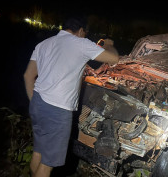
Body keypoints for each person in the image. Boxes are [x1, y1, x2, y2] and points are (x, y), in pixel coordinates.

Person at [23, 14, 119, 177]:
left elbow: (28, 76)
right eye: (85, 33)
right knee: (47, 165)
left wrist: (35, 102)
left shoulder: (44, 44)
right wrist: (109, 45)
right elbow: (114, 59)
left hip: (38, 102)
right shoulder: (81, 43)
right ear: (81, 31)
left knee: (38, 152)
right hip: (58, 110)